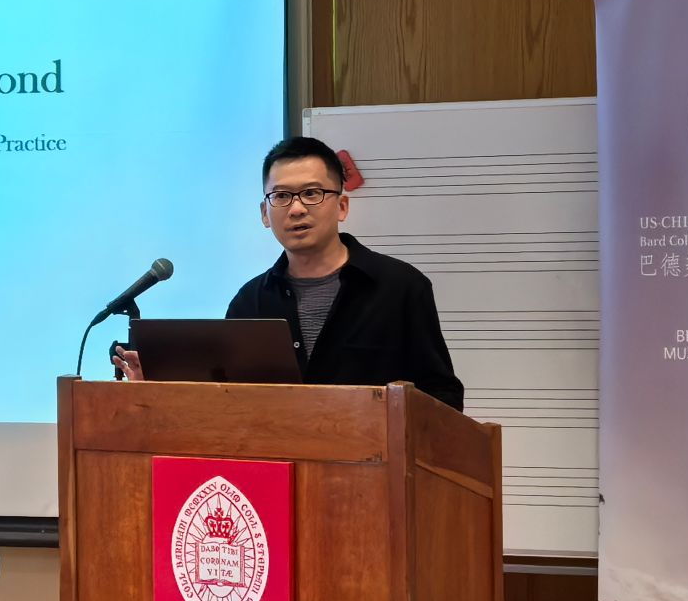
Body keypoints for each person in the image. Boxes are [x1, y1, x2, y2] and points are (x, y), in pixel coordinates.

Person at [116, 136, 462, 410]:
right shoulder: (250, 302)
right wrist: (156, 386)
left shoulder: (400, 287)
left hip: (374, 469)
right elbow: (226, 402)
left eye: (312, 193)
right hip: (274, 471)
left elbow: (442, 396)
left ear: (341, 206)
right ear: (265, 214)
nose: (296, 209)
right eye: (281, 196)